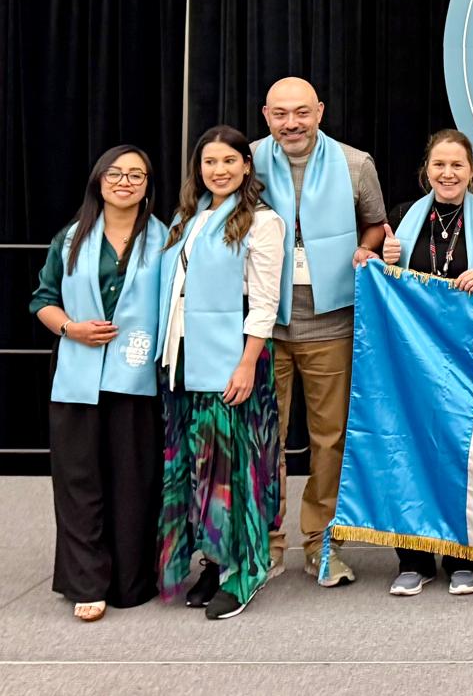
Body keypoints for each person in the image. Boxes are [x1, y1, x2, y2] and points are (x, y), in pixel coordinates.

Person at [253, 77, 389, 587]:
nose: (292, 123)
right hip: (263, 327)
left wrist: (366, 248)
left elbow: (375, 222)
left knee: (329, 439)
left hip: (330, 323)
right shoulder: (246, 161)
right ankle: (265, 542)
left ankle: (321, 543)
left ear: (320, 112)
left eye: (302, 112)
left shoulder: (356, 163)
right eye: (281, 114)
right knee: (264, 438)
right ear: (266, 116)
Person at [30, 146, 167, 622]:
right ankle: (86, 581)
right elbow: (43, 299)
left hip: (138, 375)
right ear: (99, 180)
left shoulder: (165, 239)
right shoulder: (71, 238)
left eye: (136, 175)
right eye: (116, 173)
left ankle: (131, 579)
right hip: (78, 374)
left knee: (133, 481)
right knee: (79, 480)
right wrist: (72, 329)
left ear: (148, 185)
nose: (125, 181)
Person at [155, 126, 286, 619]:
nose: (219, 170)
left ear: (246, 166)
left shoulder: (261, 222)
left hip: (233, 356)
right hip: (184, 356)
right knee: (196, 465)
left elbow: (265, 301)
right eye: (210, 162)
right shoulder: (186, 219)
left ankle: (242, 571)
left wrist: (247, 362)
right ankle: (213, 560)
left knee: (232, 468)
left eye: (229, 161)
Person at [378, 129, 473, 596]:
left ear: (472, 172)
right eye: (439, 164)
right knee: (411, 449)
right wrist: (383, 259)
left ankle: (464, 557)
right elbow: (379, 278)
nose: (448, 173)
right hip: (413, 358)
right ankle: (413, 559)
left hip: (471, 355)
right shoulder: (402, 217)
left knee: (465, 452)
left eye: (457, 165)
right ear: (426, 170)